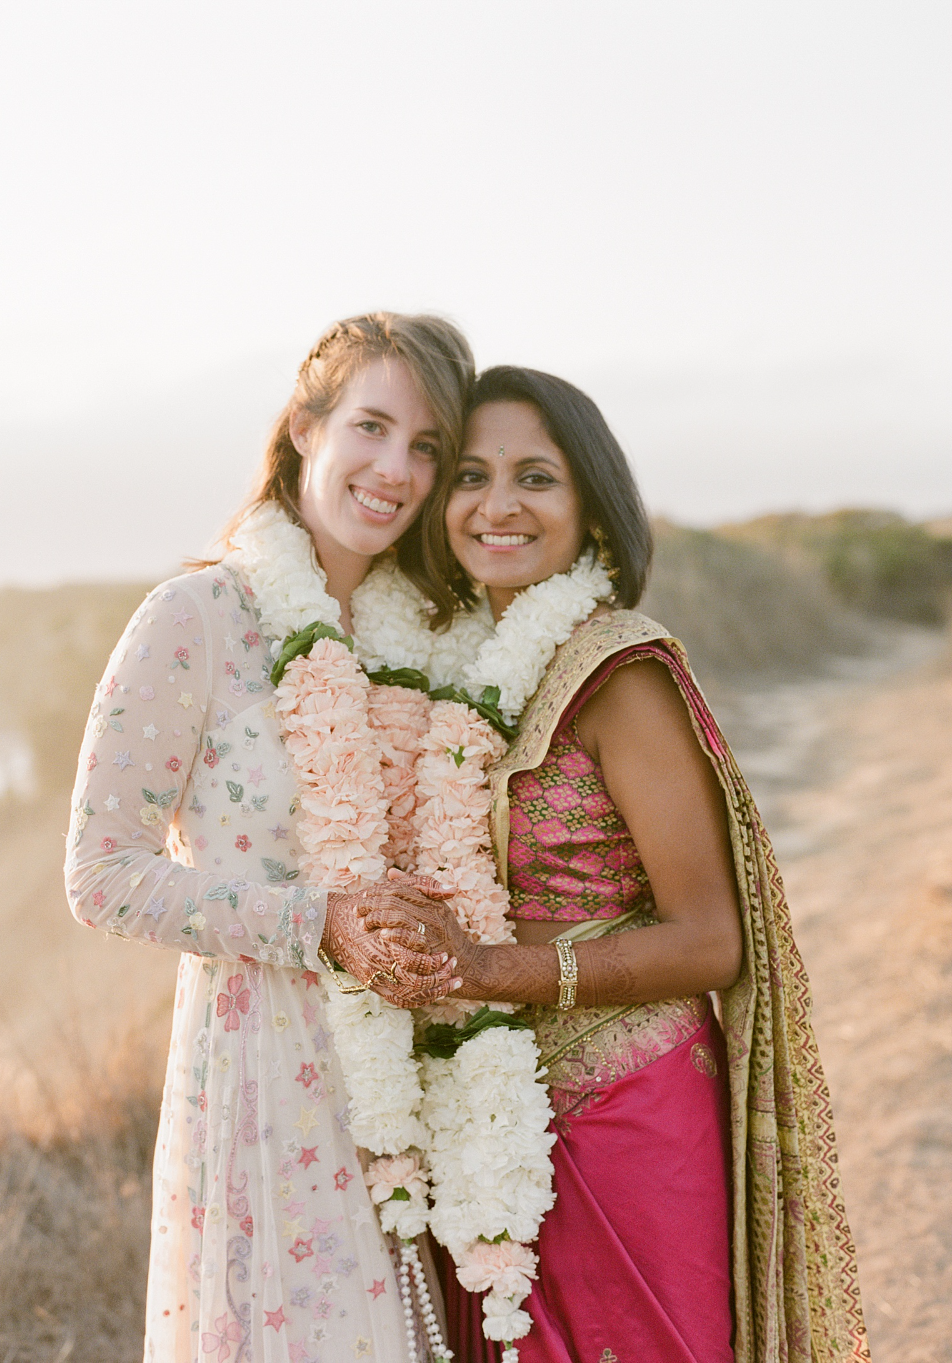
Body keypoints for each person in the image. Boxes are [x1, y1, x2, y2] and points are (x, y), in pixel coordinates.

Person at [367, 367, 871, 1362]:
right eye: (470, 474)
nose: (497, 503)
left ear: (591, 509)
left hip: (628, 1114)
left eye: (536, 478)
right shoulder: (454, 677)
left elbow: (711, 938)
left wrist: (499, 972)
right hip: (487, 1117)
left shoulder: (618, 674)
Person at [64, 313, 472, 1363]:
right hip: (261, 1067)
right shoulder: (198, 615)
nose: (395, 469)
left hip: (417, 1068)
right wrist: (313, 921)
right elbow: (100, 873)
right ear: (304, 426)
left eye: (426, 447)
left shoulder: (423, 640)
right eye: (372, 426)